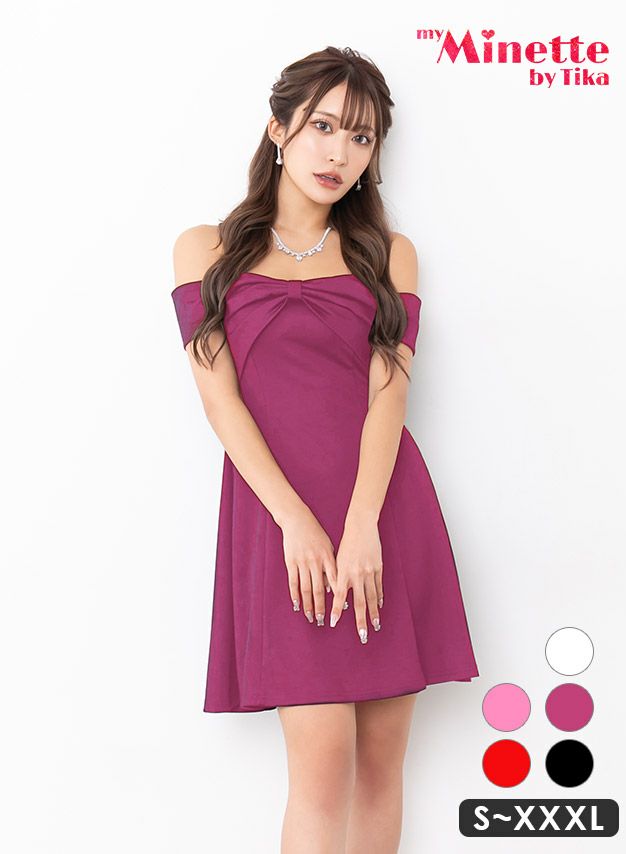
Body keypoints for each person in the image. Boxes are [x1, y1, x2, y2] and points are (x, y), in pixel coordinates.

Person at [171, 46, 479, 854]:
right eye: (323, 127)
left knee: (379, 770)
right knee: (323, 767)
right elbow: (219, 400)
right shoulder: (205, 249)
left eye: (362, 137)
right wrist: (298, 524)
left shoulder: (389, 254)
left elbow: (390, 397)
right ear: (279, 129)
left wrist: (363, 526)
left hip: (384, 516)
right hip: (280, 523)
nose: (339, 152)